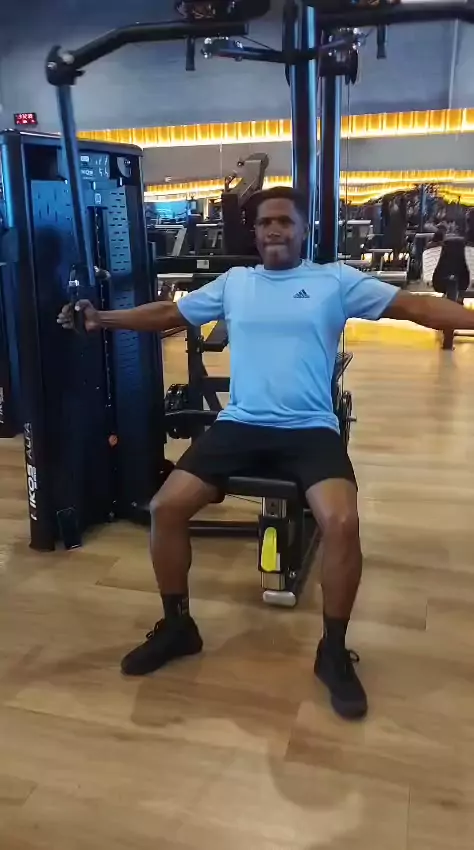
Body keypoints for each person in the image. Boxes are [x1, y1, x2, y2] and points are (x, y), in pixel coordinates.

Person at [58, 186, 474, 720]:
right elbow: (169, 313)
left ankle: (332, 650)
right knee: (166, 508)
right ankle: (179, 626)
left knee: (342, 521)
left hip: (310, 429)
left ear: (303, 230)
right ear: (254, 234)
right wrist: (101, 319)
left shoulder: (334, 281)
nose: (274, 229)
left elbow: (416, 305)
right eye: (265, 223)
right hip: (241, 425)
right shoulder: (236, 283)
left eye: (284, 221)